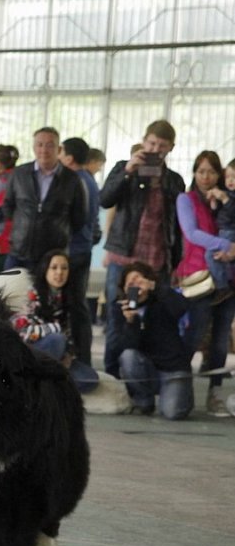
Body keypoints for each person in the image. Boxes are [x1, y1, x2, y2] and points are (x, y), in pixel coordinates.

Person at [99, 120, 185, 377]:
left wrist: (176, 262)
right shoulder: (123, 168)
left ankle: (145, 375)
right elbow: (105, 200)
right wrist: (127, 171)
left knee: (158, 319)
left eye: (162, 145)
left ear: (170, 148)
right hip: (123, 258)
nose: (155, 148)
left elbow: (176, 225)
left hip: (157, 261)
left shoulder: (174, 180)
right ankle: (113, 376)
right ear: (143, 141)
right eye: (151, 143)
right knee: (117, 317)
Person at [176, 150, 235, 417]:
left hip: (228, 279)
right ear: (194, 173)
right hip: (198, 277)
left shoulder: (227, 200)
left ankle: (215, 393)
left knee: (221, 341)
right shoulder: (185, 200)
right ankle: (177, 387)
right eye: (201, 171)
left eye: (212, 172)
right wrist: (225, 244)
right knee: (195, 333)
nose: (206, 177)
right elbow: (192, 233)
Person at [109, 261, 193, 420]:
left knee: (172, 413)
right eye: (130, 283)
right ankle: (143, 401)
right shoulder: (120, 308)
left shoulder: (162, 300)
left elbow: (181, 307)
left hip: (172, 368)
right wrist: (130, 322)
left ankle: (184, 394)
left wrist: (156, 287)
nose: (135, 285)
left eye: (139, 280)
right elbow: (123, 347)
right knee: (128, 356)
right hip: (146, 368)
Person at [10, 248, 98, 394]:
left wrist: (68, 356)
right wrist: (54, 328)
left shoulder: (68, 297)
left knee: (89, 379)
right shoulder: (33, 293)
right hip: (30, 355)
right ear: (46, 270)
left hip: (57, 358)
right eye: (54, 267)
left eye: (64, 268)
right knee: (56, 339)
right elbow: (24, 333)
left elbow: (69, 336)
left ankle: (47, 383)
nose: (59, 272)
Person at [2, 126, 86, 272]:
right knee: (10, 292)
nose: (44, 150)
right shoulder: (19, 174)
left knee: (45, 295)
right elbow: (8, 206)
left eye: (50, 145)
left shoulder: (72, 180)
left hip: (52, 256)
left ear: (59, 149)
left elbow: (79, 218)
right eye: (39, 144)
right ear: (34, 147)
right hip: (19, 251)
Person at [59, 137, 101, 365]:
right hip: (81, 247)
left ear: (69, 158)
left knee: (75, 306)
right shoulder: (88, 179)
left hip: (74, 250)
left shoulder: (77, 181)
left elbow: (78, 219)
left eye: (60, 152)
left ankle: (82, 358)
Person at [204, 156, 235, 297]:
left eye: (234, 177)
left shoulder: (229, 197)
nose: (230, 180)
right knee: (215, 256)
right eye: (228, 176)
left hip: (229, 232)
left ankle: (222, 286)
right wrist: (214, 203)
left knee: (212, 255)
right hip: (222, 231)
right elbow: (219, 213)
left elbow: (231, 212)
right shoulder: (228, 193)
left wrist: (224, 199)